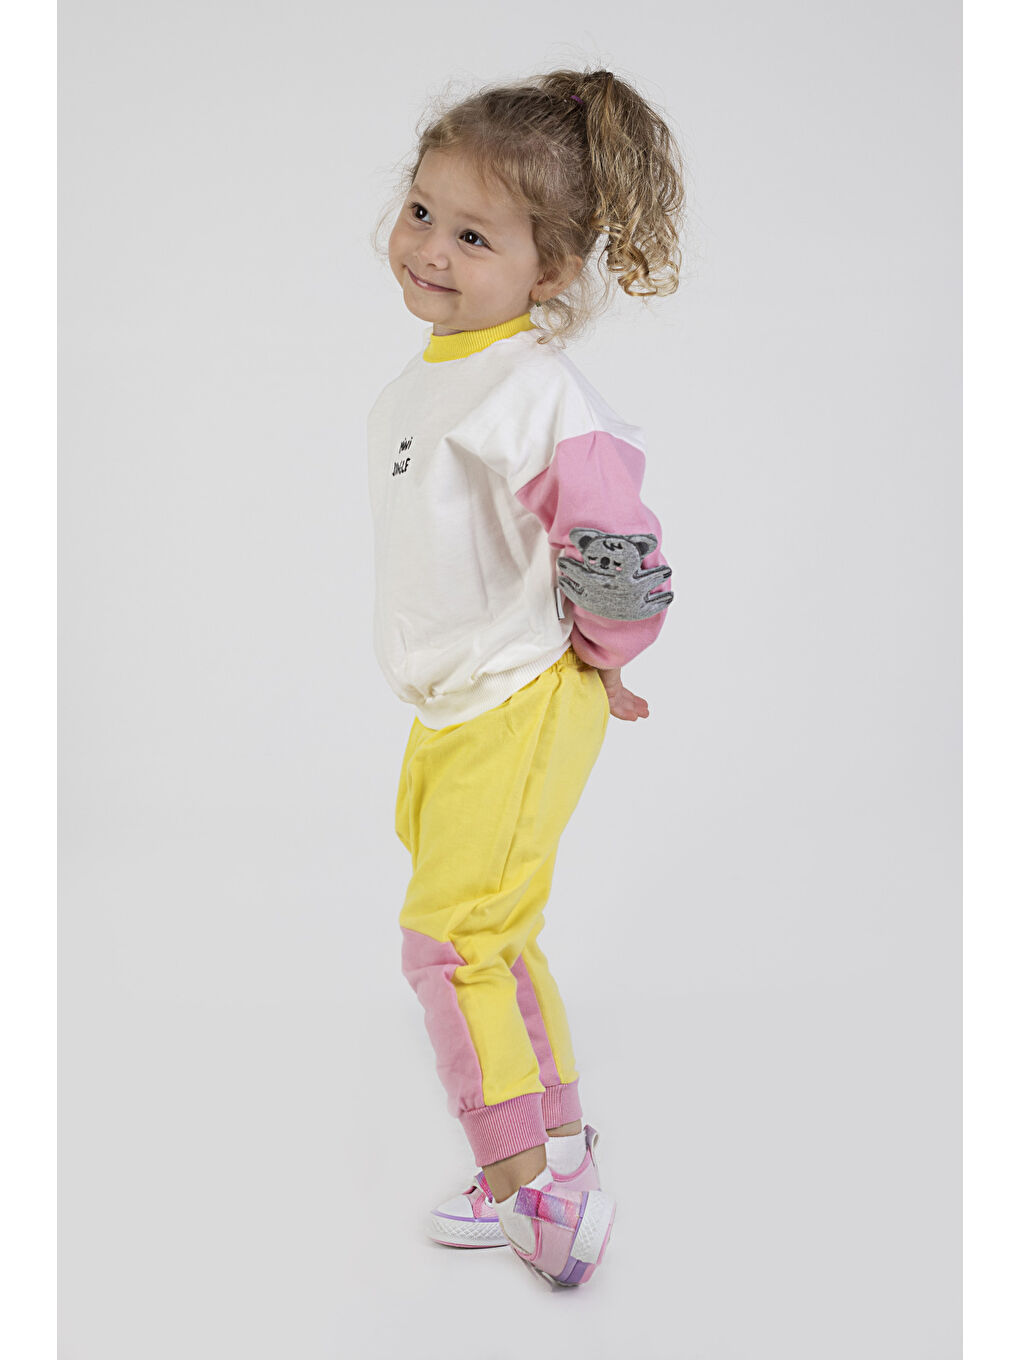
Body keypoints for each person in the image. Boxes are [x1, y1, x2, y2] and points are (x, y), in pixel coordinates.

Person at [366, 66, 685, 1288]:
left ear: (549, 270)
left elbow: (618, 540)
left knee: (448, 943)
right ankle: (561, 1143)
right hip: (455, 704)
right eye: (421, 211)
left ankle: (528, 1195)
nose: (429, 249)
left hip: (516, 697)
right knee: (497, 931)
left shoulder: (535, 390)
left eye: (474, 235)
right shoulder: (434, 377)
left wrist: (605, 658)